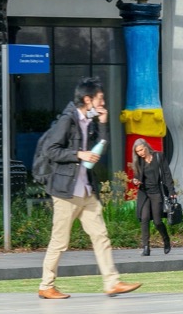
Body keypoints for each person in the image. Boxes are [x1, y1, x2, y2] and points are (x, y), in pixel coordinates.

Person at [35, 78, 141, 300]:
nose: (103, 101)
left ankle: (112, 283)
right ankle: (46, 285)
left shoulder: (89, 121)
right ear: (87, 99)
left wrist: (103, 123)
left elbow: (99, 148)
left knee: (101, 236)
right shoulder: (68, 120)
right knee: (60, 241)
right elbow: (50, 150)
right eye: (100, 98)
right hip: (66, 192)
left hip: (86, 190)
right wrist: (78, 154)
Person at [131, 138, 175, 256]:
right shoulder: (139, 162)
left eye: (141, 150)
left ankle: (166, 240)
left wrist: (171, 190)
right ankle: (146, 247)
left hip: (157, 193)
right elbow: (136, 177)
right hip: (144, 193)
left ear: (146, 147)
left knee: (157, 221)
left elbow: (167, 174)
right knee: (144, 219)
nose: (140, 153)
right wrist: (135, 181)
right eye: (137, 152)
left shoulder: (158, 157)